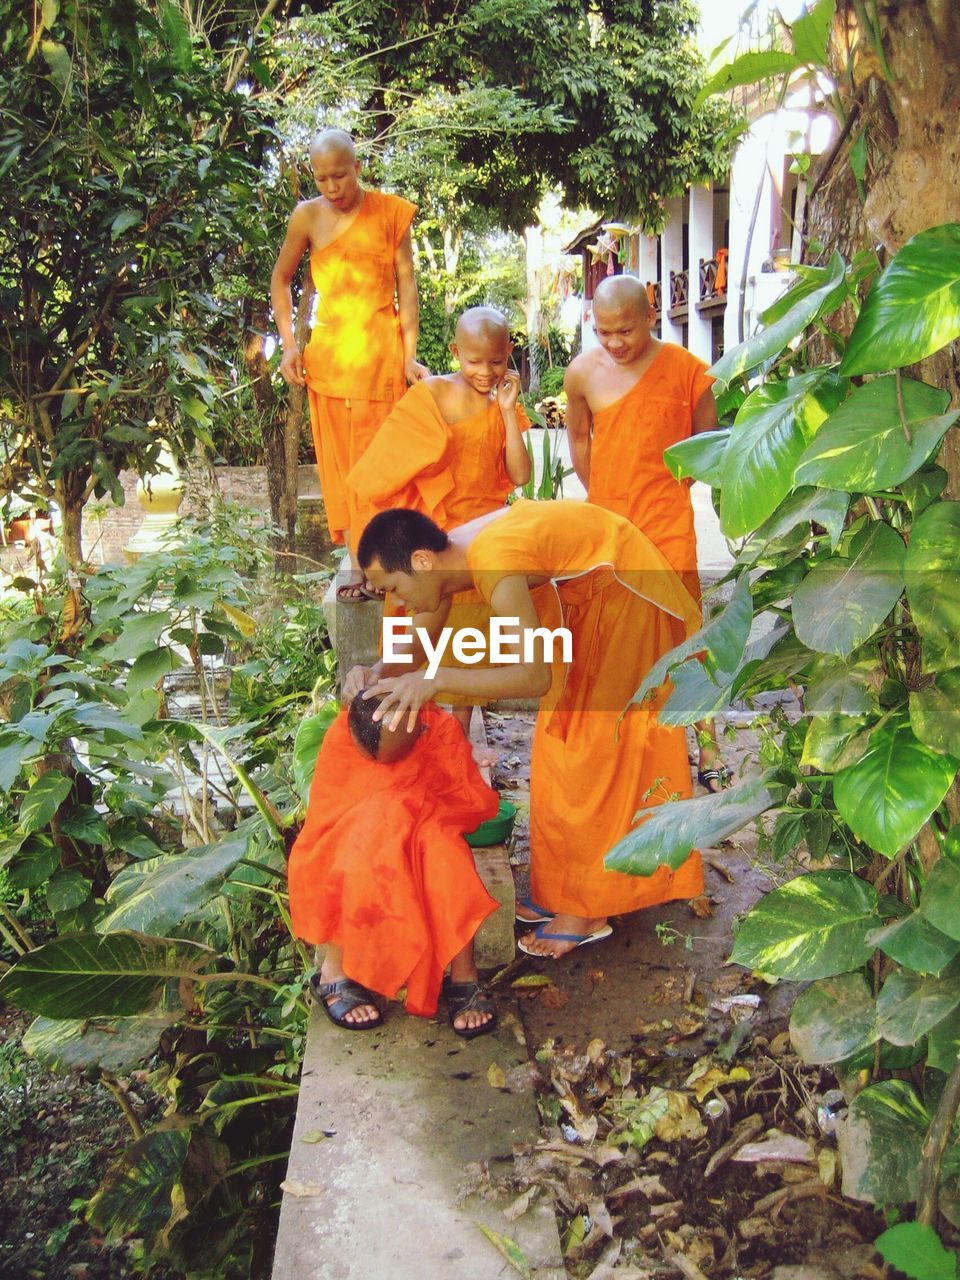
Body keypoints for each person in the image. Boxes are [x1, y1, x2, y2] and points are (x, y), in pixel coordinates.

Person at [351, 501, 704, 960]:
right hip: (587, 595)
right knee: (557, 746)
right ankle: (566, 890)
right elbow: (423, 635)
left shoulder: (491, 558)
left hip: (625, 595)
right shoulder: (444, 562)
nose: (395, 604)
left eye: (392, 588)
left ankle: (590, 908)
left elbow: (532, 677)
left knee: (594, 751)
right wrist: (375, 673)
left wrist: (438, 679)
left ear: (421, 561)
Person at [564, 274, 729, 791]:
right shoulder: (581, 373)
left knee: (686, 629)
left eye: (626, 331)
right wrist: (609, 496)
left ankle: (707, 740)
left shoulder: (689, 372)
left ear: (651, 317)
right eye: (603, 332)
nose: (614, 343)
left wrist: (658, 489)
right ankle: (625, 737)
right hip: (610, 524)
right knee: (610, 634)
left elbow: (706, 445)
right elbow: (579, 441)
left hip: (667, 522)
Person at [347, 305, 531, 743]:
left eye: (496, 361)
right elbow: (378, 475)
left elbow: (521, 476)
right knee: (416, 641)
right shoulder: (428, 396)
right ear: (454, 352)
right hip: (429, 544)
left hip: (480, 541)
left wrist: (506, 411)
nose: (485, 372)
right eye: (473, 361)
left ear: (509, 354)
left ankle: (458, 738)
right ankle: (406, 728)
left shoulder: (499, 403)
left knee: (469, 646)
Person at [270, 128, 428, 599]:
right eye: (321, 179)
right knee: (343, 474)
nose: (332, 187)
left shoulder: (390, 214)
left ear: (357, 167)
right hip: (330, 363)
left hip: (380, 359)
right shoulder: (307, 217)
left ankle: (386, 564)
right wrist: (287, 345)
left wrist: (410, 354)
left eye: (340, 175)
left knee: (380, 470)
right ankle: (362, 566)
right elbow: (281, 280)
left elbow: (407, 286)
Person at [288, 693, 499, 1036]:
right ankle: (334, 972)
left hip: (425, 817)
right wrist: (390, 820)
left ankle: (465, 976)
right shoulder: (343, 734)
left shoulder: (431, 724)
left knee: (448, 856)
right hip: (355, 834)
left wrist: (460, 756)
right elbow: (326, 817)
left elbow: (461, 795)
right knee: (360, 849)